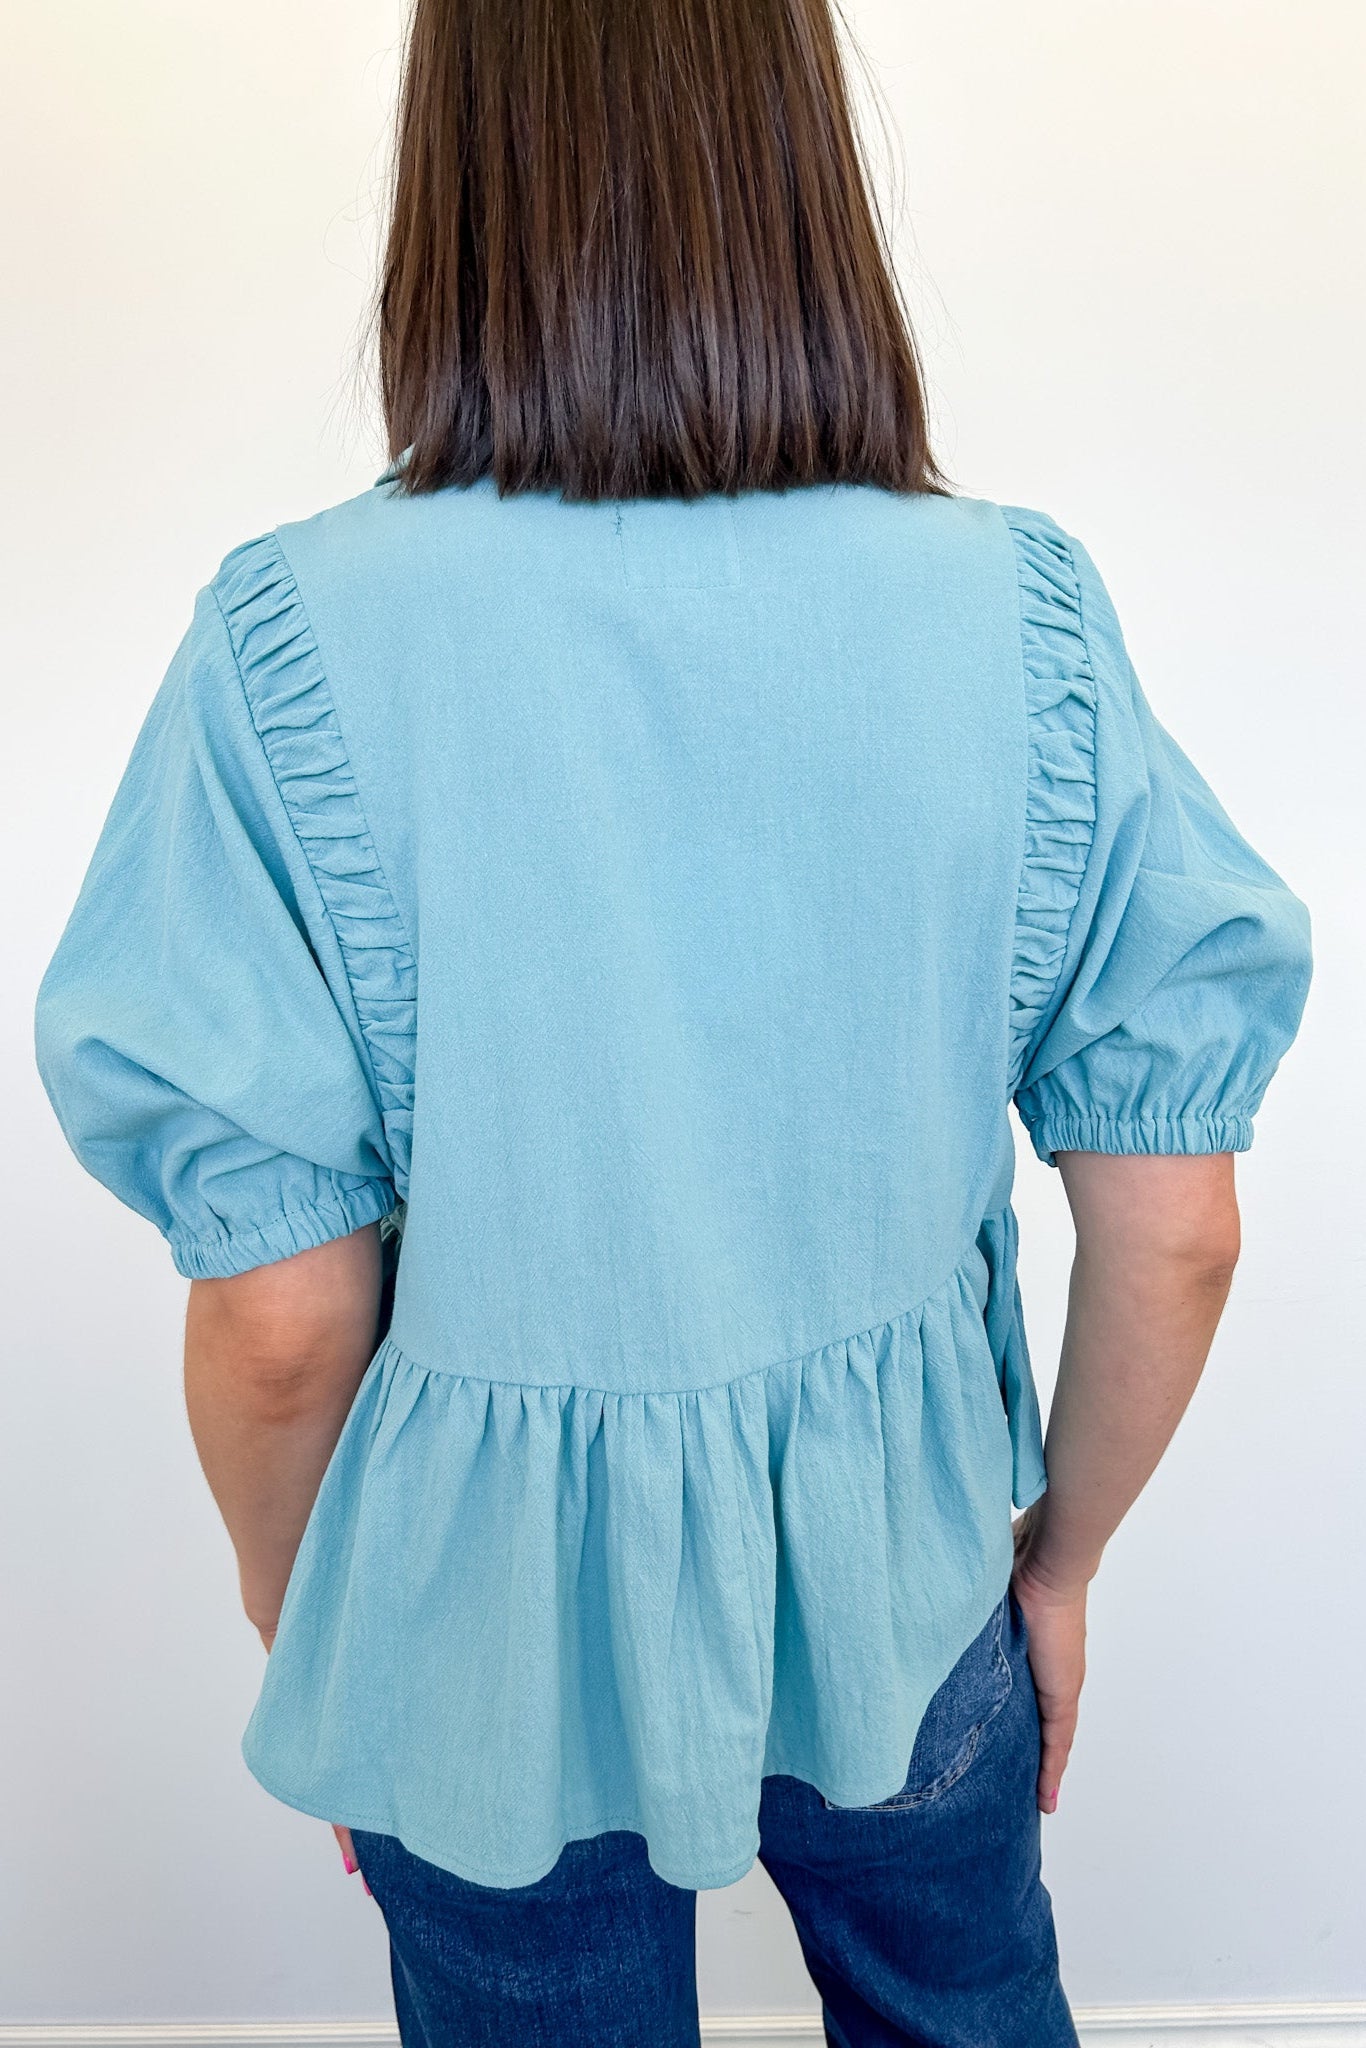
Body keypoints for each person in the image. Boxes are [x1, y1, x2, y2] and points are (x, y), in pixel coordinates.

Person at [33, 0, 1312, 2042]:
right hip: (908, 1594)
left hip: (476, 1638)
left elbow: (276, 1323)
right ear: (800, 172)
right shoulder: (1018, 613)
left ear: (460, 188)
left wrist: (318, 1619)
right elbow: (1179, 1220)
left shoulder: (286, 640)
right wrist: (1050, 1570)